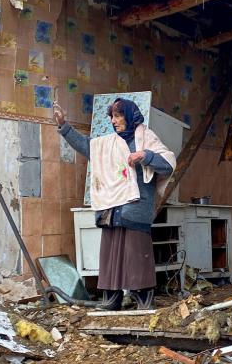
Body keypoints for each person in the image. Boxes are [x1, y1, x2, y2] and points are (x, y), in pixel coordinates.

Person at [54, 99, 176, 310]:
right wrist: (64, 126)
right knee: (111, 254)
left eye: (118, 116)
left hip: (135, 209)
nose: (114, 121)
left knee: (136, 254)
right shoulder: (106, 143)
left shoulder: (146, 138)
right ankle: (112, 300)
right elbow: (85, 146)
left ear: (130, 116)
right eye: (112, 116)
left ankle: (143, 300)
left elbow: (167, 165)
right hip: (111, 208)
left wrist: (145, 156)